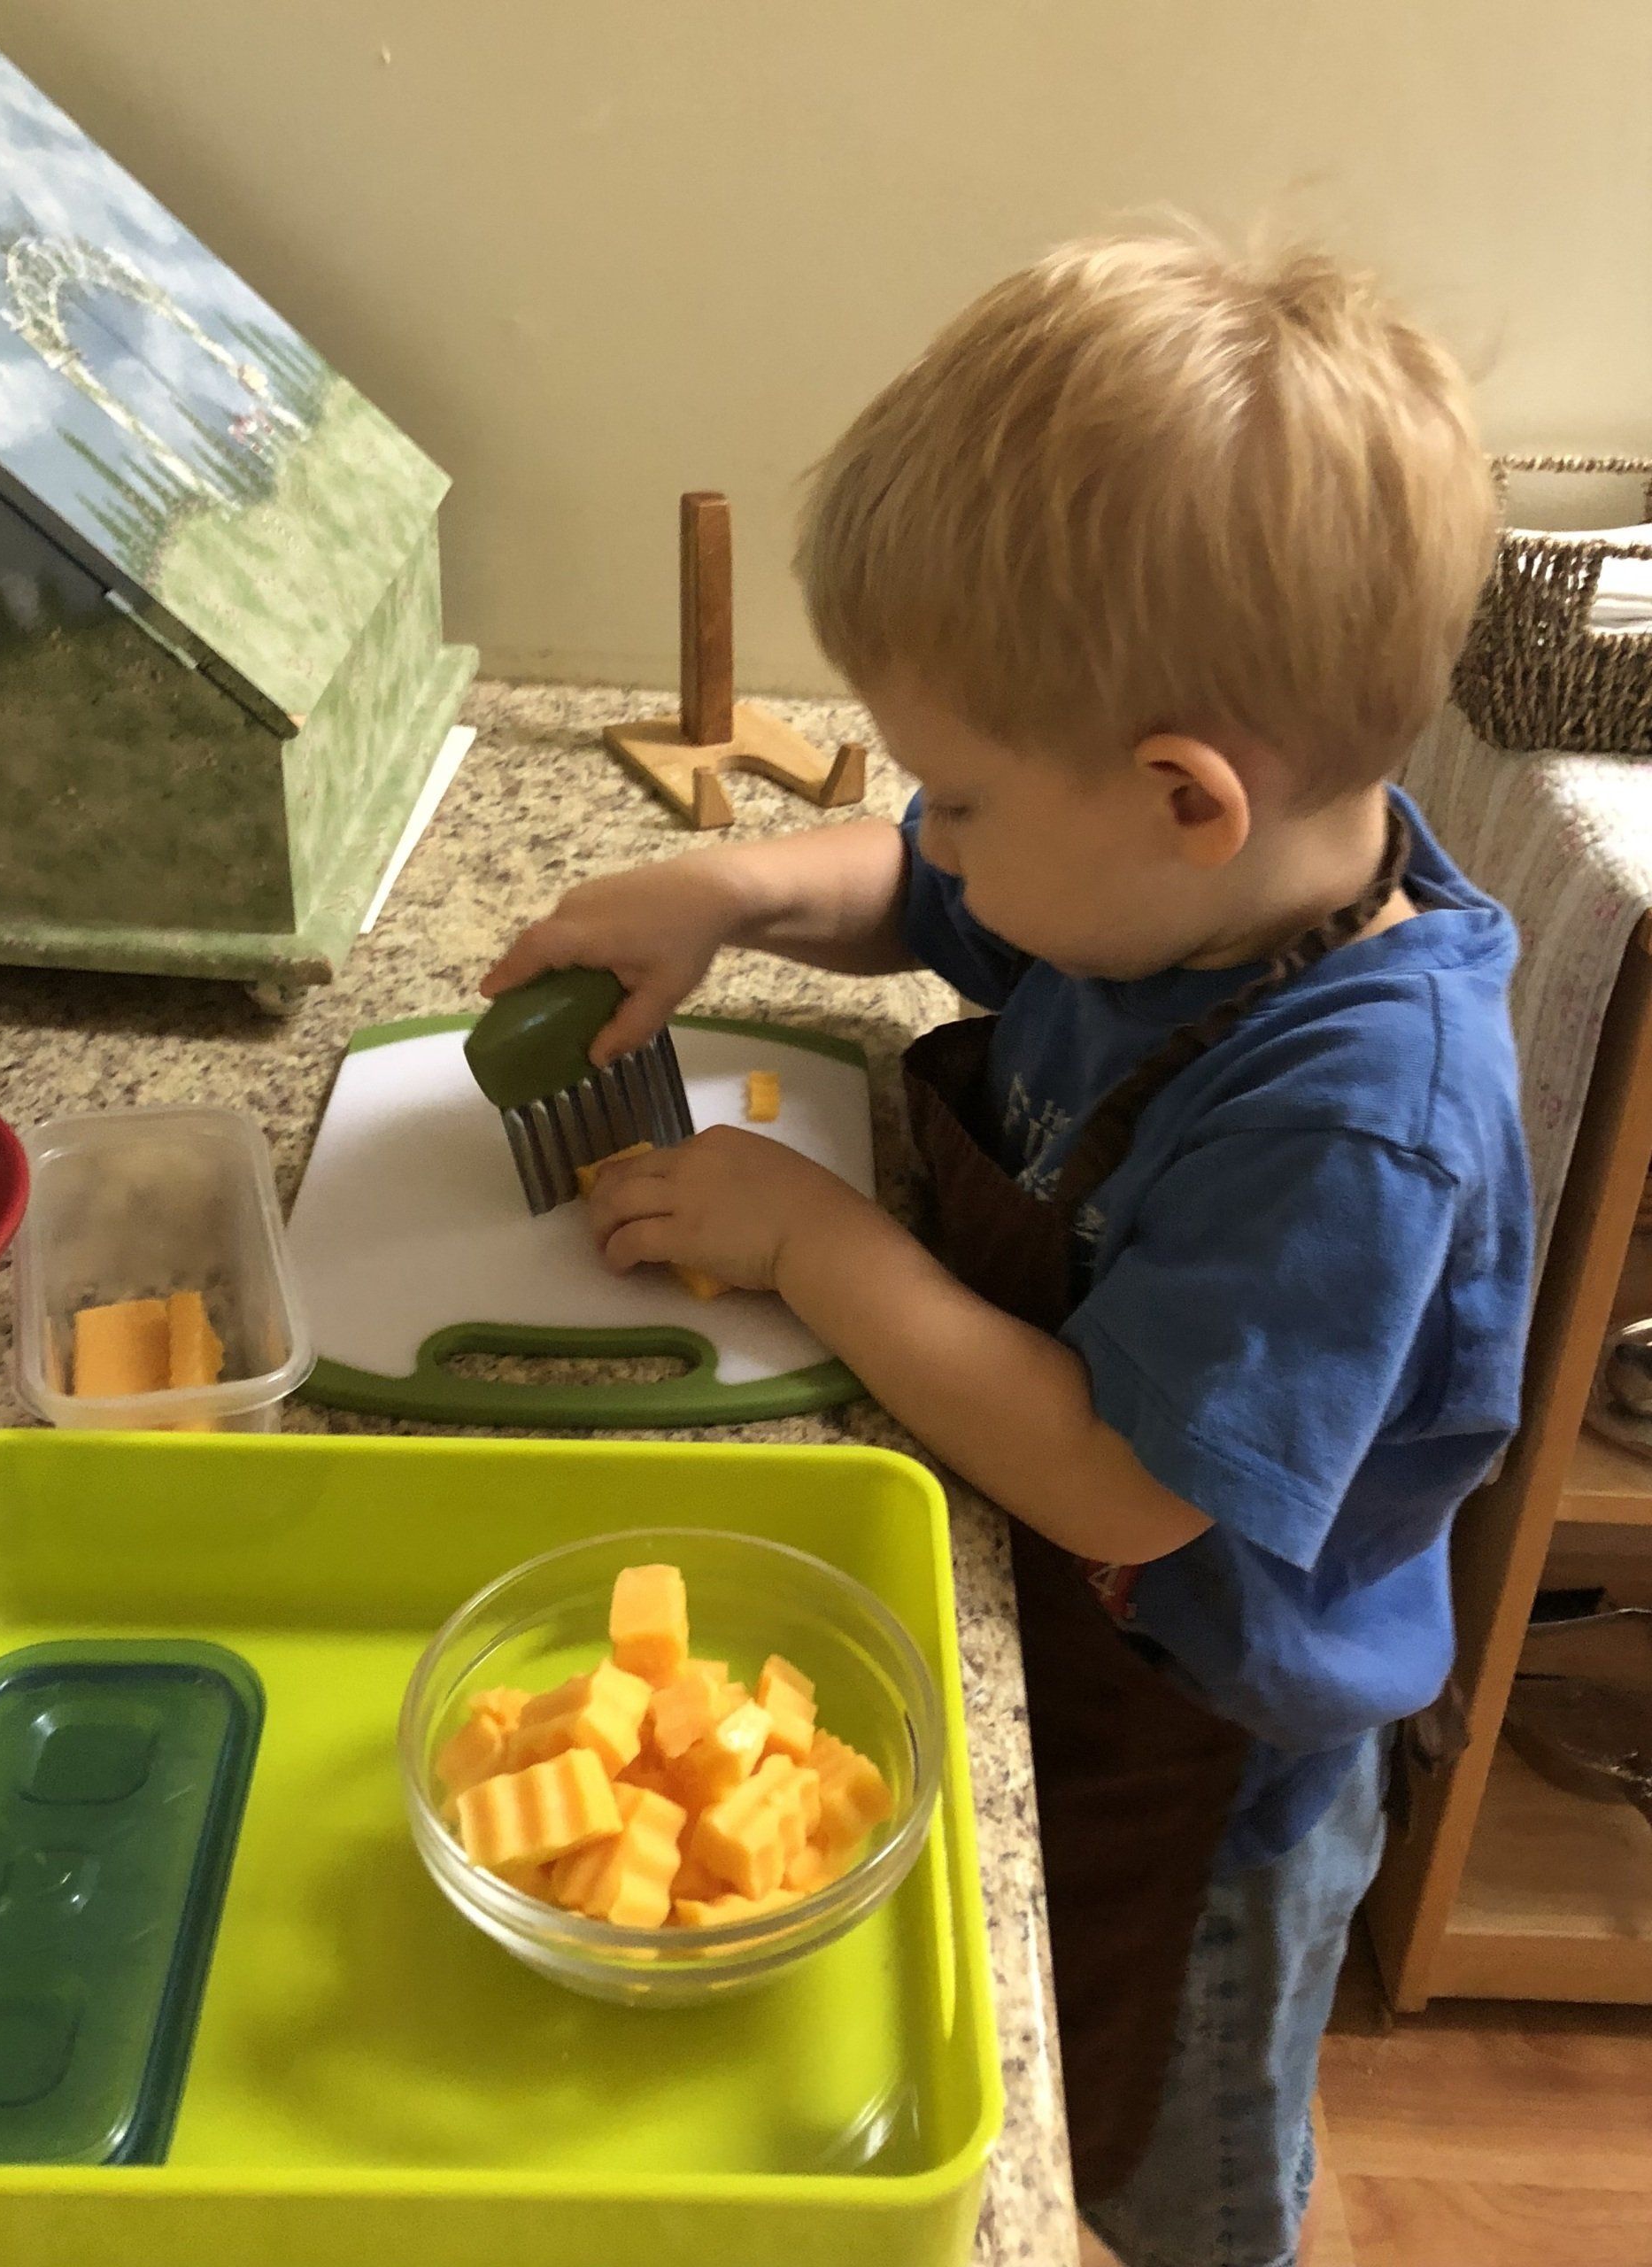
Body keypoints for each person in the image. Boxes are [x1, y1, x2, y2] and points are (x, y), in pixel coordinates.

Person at [483, 229, 1533, 2267]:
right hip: (1066, 1637)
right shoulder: (1159, 886)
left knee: (1166, 2170)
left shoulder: (1356, 1110)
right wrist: (732, 887)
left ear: (1179, 794)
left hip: (1214, 1767)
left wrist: (810, 1237)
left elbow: (1115, 1471)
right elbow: (909, 890)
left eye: (960, 794)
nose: (936, 836)